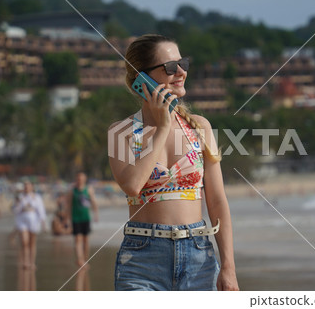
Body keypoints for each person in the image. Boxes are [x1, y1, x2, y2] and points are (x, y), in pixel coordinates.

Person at [109, 34, 239, 291]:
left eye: (183, 64)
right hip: (141, 257)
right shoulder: (120, 132)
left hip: (198, 255)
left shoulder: (200, 127)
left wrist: (229, 267)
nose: (181, 72)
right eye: (170, 67)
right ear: (141, 78)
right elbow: (133, 185)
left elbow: (216, 201)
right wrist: (162, 126)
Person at [12, 181, 47, 269]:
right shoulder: (20, 197)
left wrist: (43, 223)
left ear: (32, 187)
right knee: (24, 241)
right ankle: (25, 261)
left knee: (32, 242)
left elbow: (41, 210)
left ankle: (32, 262)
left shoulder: (37, 197)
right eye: (25, 186)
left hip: (33, 220)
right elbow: (15, 210)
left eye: (28, 186)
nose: (27, 188)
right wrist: (19, 203)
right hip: (22, 220)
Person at [67, 172, 99, 267]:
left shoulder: (88, 189)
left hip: (85, 217)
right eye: (78, 178)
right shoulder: (72, 191)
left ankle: (85, 259)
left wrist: (96, 214)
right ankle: (79, 260)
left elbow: (93, 202)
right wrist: (68, 219)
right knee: (77, 239)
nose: (79, 180)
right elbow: (69, 205)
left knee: (86, 239)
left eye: (81, 178)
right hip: (75, 218)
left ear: (84, 179)